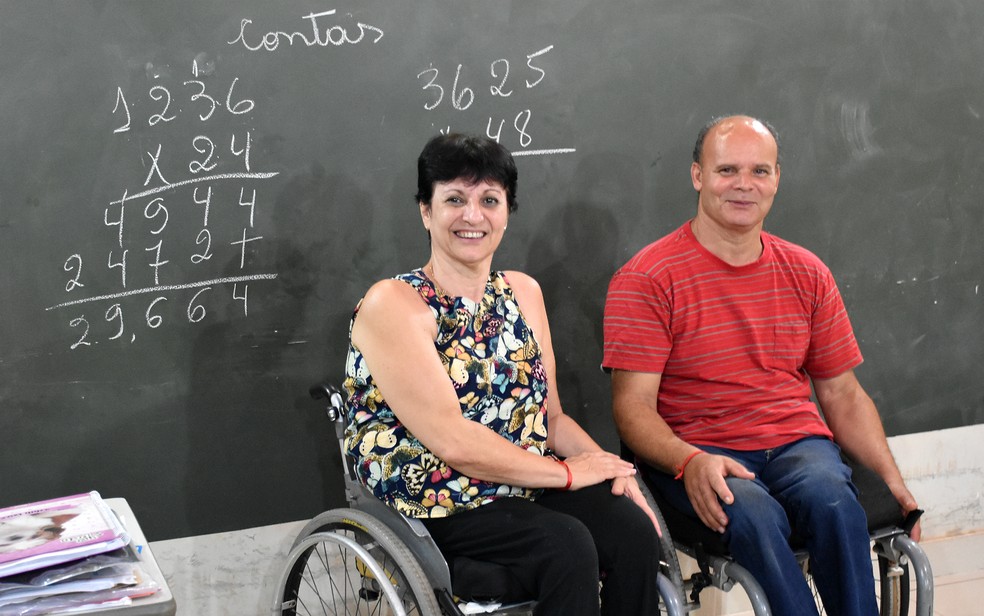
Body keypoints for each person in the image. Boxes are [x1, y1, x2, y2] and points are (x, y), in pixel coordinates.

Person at [603, 115, 921, 616]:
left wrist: (891, 479)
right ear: (697, 176)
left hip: (797, 444)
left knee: (836, 503)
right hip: (698, 448)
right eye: (727, 169)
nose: (744, 185)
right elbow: (632, 408)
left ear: (777, 179)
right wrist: (688, 461)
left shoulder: (807, 272)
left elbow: (842, 394)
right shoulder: (647, 278)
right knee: (750, 514)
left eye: (760, 171)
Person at [343, 133, 663, 615]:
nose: (473, 216)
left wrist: (610, 468)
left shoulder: (522, 292)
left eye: (489, 200)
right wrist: (570, 473)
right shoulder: (395, 303)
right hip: (436, 496)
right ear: (426, 211)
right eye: (454, 199)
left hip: (523, 482)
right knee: (568, 543)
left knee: (634, 531)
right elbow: (453, 442)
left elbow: (551, 419)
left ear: (507, 212)